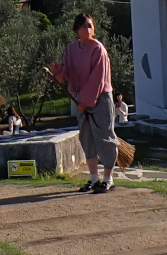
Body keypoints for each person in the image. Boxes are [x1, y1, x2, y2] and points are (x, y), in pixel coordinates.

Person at [49, 12, 122, 194]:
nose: (88, 29)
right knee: (86, 137)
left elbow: (98, 78)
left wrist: (85, 101)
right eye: (84, 26)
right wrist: (58, 70)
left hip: (101, 98)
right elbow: (67, 71)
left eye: (90, 25)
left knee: (105, 136)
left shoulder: (99, 50)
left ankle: (108, 178)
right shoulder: (71, 49)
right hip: (80, 98)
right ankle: (93, 178)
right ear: (76, 30)